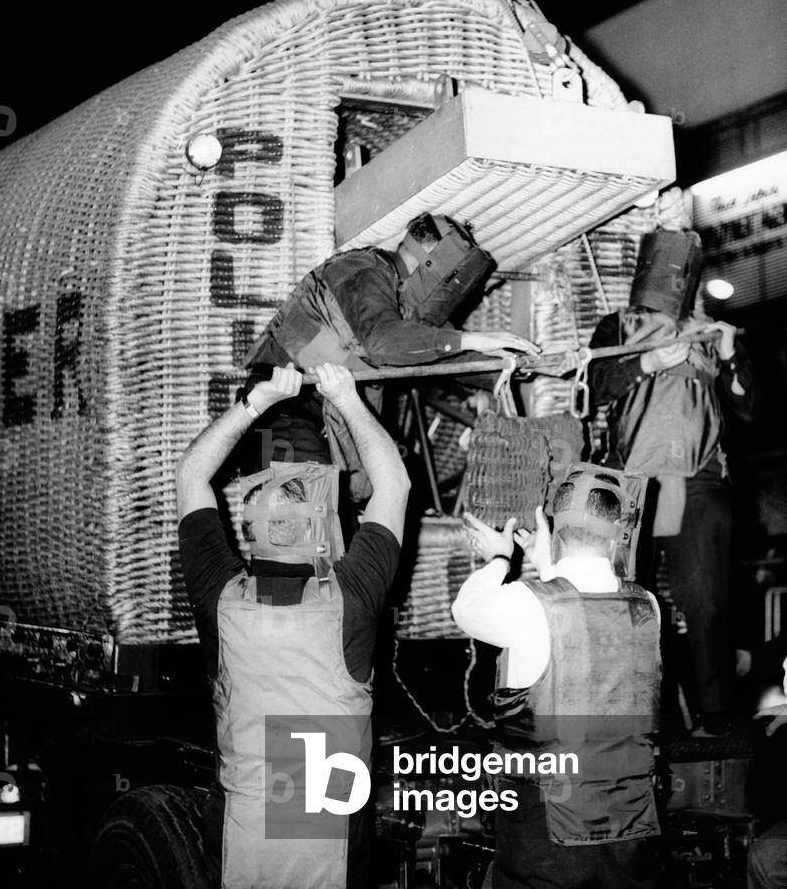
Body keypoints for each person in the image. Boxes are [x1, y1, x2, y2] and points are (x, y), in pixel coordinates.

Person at [176, 362, 410, 889]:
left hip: (246, 840)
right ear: (321, 531)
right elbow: (394, 483)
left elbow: (192, 474)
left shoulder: (220, 597)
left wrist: (253, 405)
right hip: (331, 843)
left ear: (247, 532)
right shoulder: (348, 599)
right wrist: (348, 400)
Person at [452, 466, 662, 889]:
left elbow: (466, 609)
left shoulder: (527, 606)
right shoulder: (648, 606)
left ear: (552, 525)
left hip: (547, 835)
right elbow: (582, 608)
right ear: (618, 533)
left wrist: (500, 557)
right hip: (631, 827)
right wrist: (549, 565)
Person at [238, 212, 539, 497]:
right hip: (281, 415)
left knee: (328, 534)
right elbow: (384, 341)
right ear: (432, 264)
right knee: (298, 536)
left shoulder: (396, 301)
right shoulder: (364, 271)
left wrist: (512, 365)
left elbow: (436, 352)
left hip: (311, 420)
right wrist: (472, 338)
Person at [588, 228, 754, 732]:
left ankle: (715, 722)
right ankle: (626, 719)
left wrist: (728, 358)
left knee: (707, 605)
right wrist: (645, 362)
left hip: (700, 479)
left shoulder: (709, 332)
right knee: (617, 602)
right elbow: (593, 388)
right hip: (629, 481)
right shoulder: (617, 326)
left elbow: (751, 409)